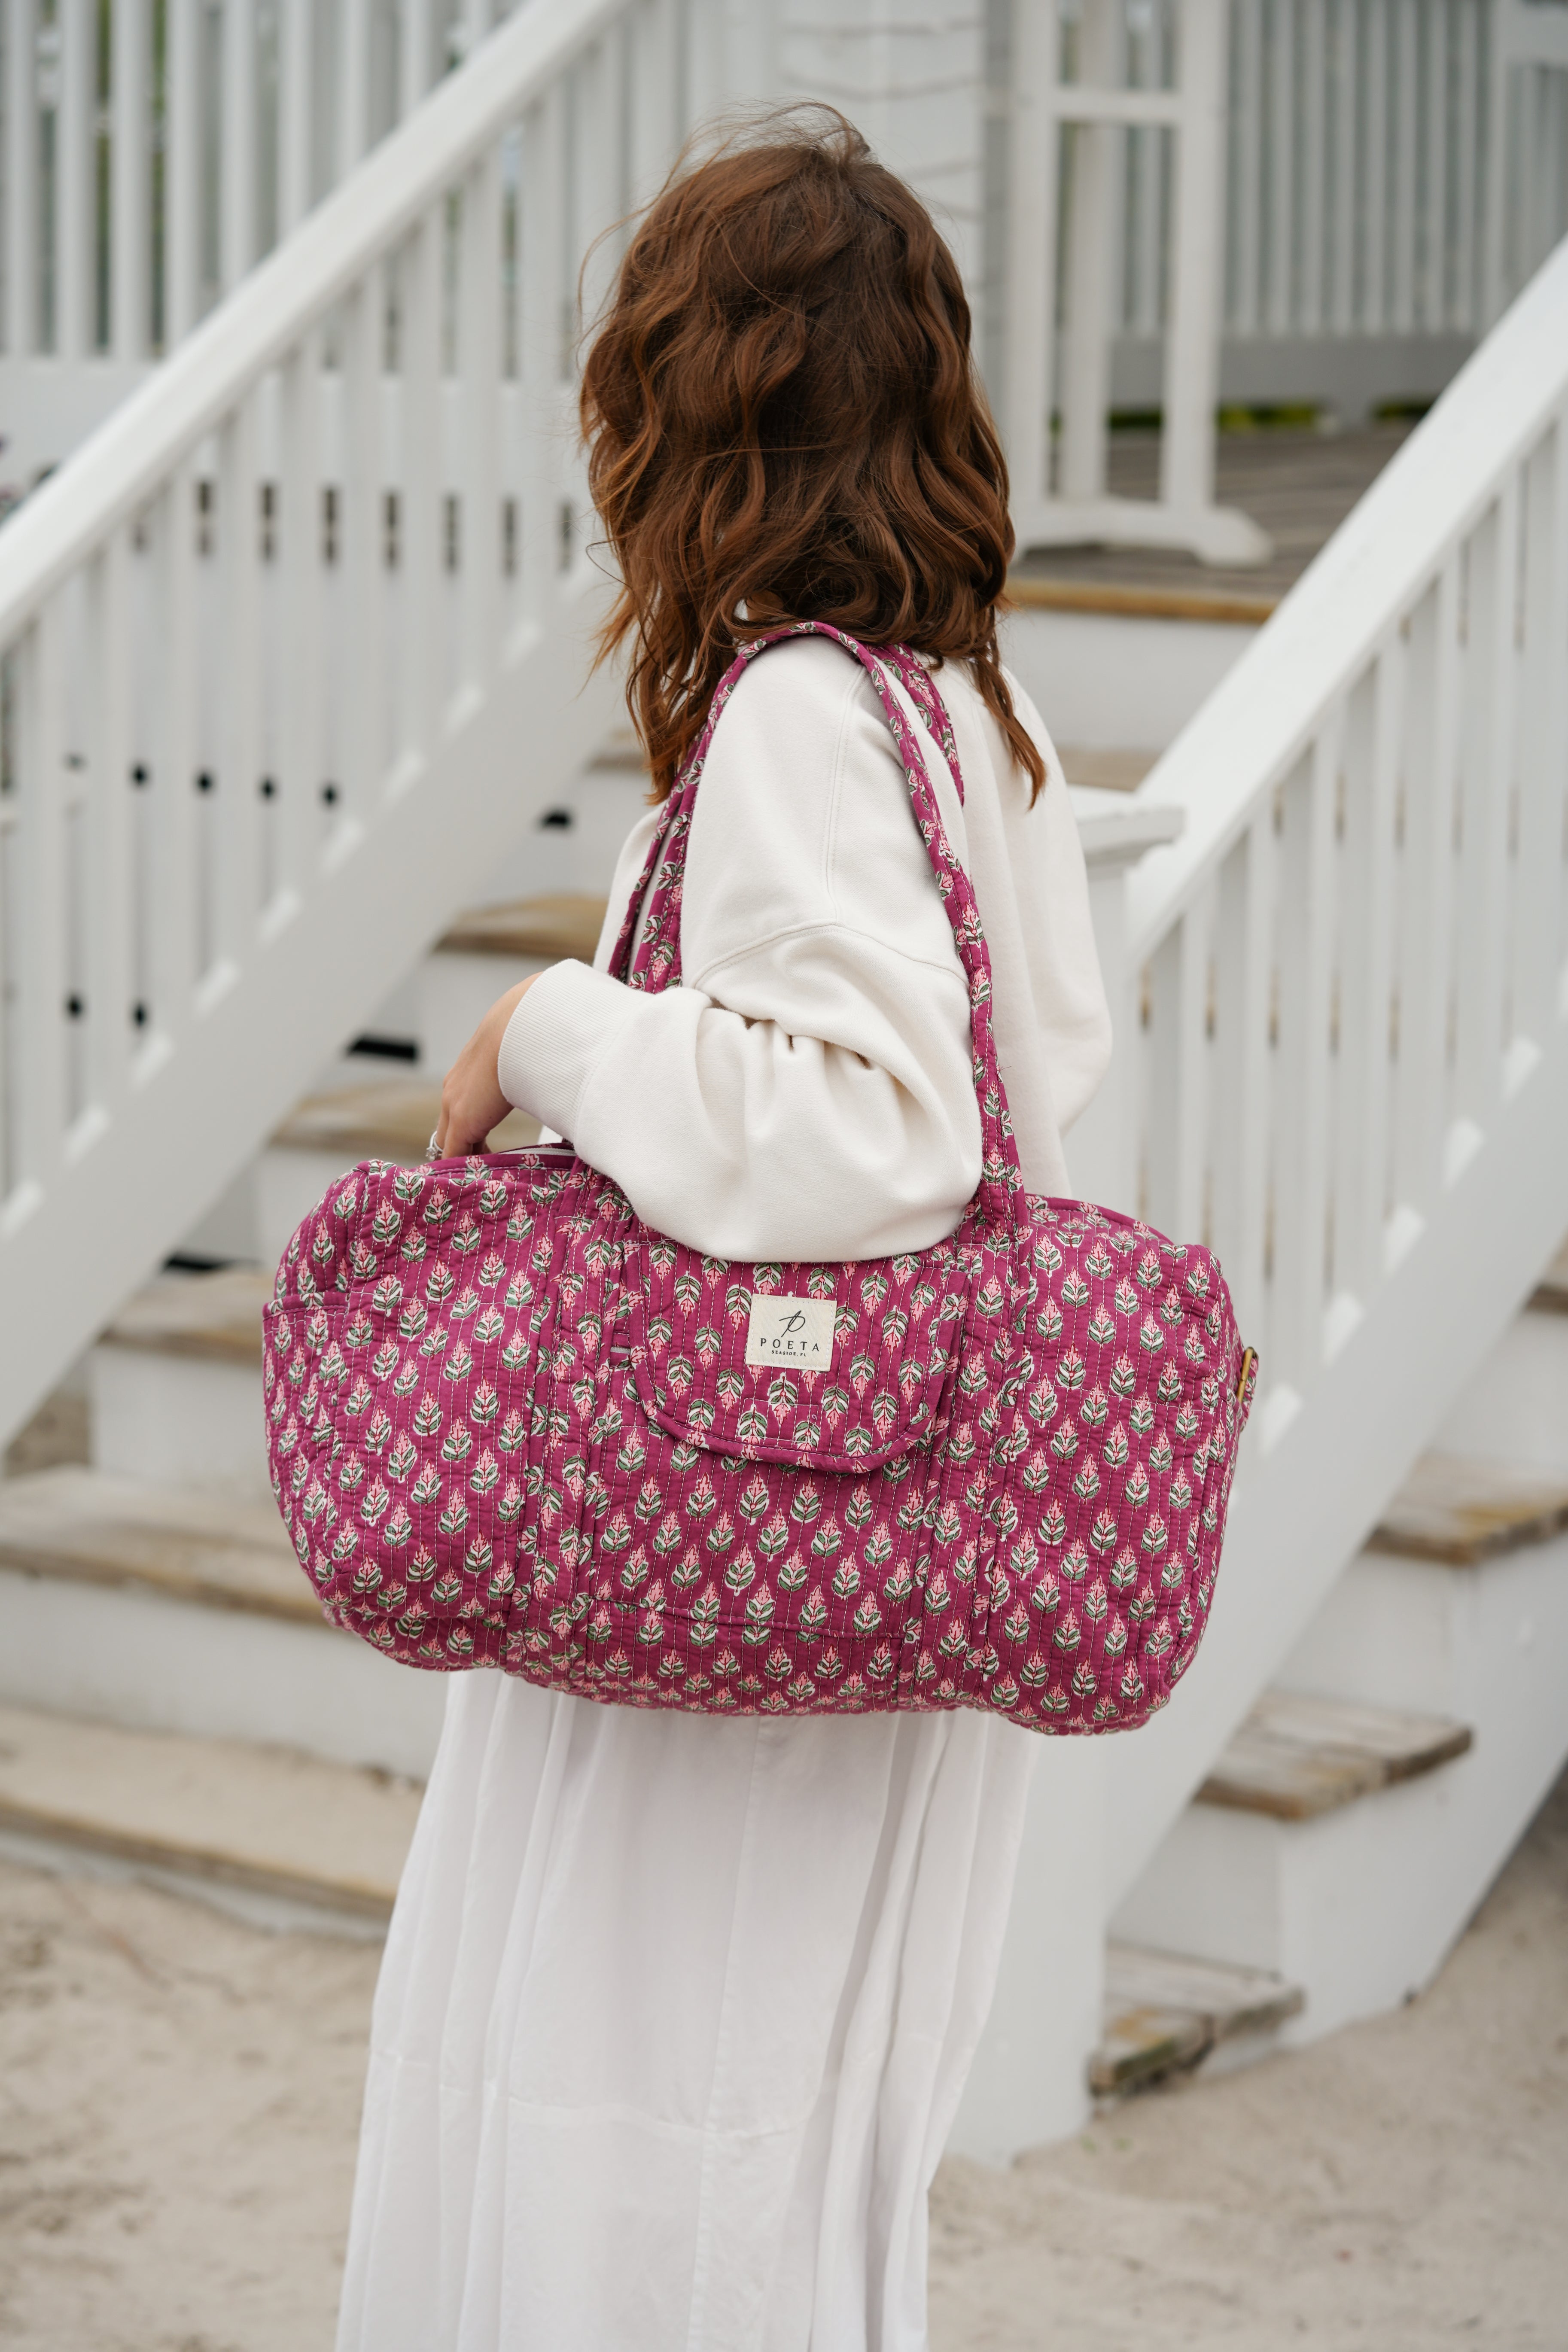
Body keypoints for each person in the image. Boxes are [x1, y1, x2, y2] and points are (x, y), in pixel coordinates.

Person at [335, 111, 1111, 2352]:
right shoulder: (978, 716)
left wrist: (559, 1033)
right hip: (895, 1546)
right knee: (782, 2146)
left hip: (740, 1550)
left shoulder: (793, 713)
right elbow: (1035, 1107)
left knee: (627, 2125)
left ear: (702, 413)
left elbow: (871, 1127)